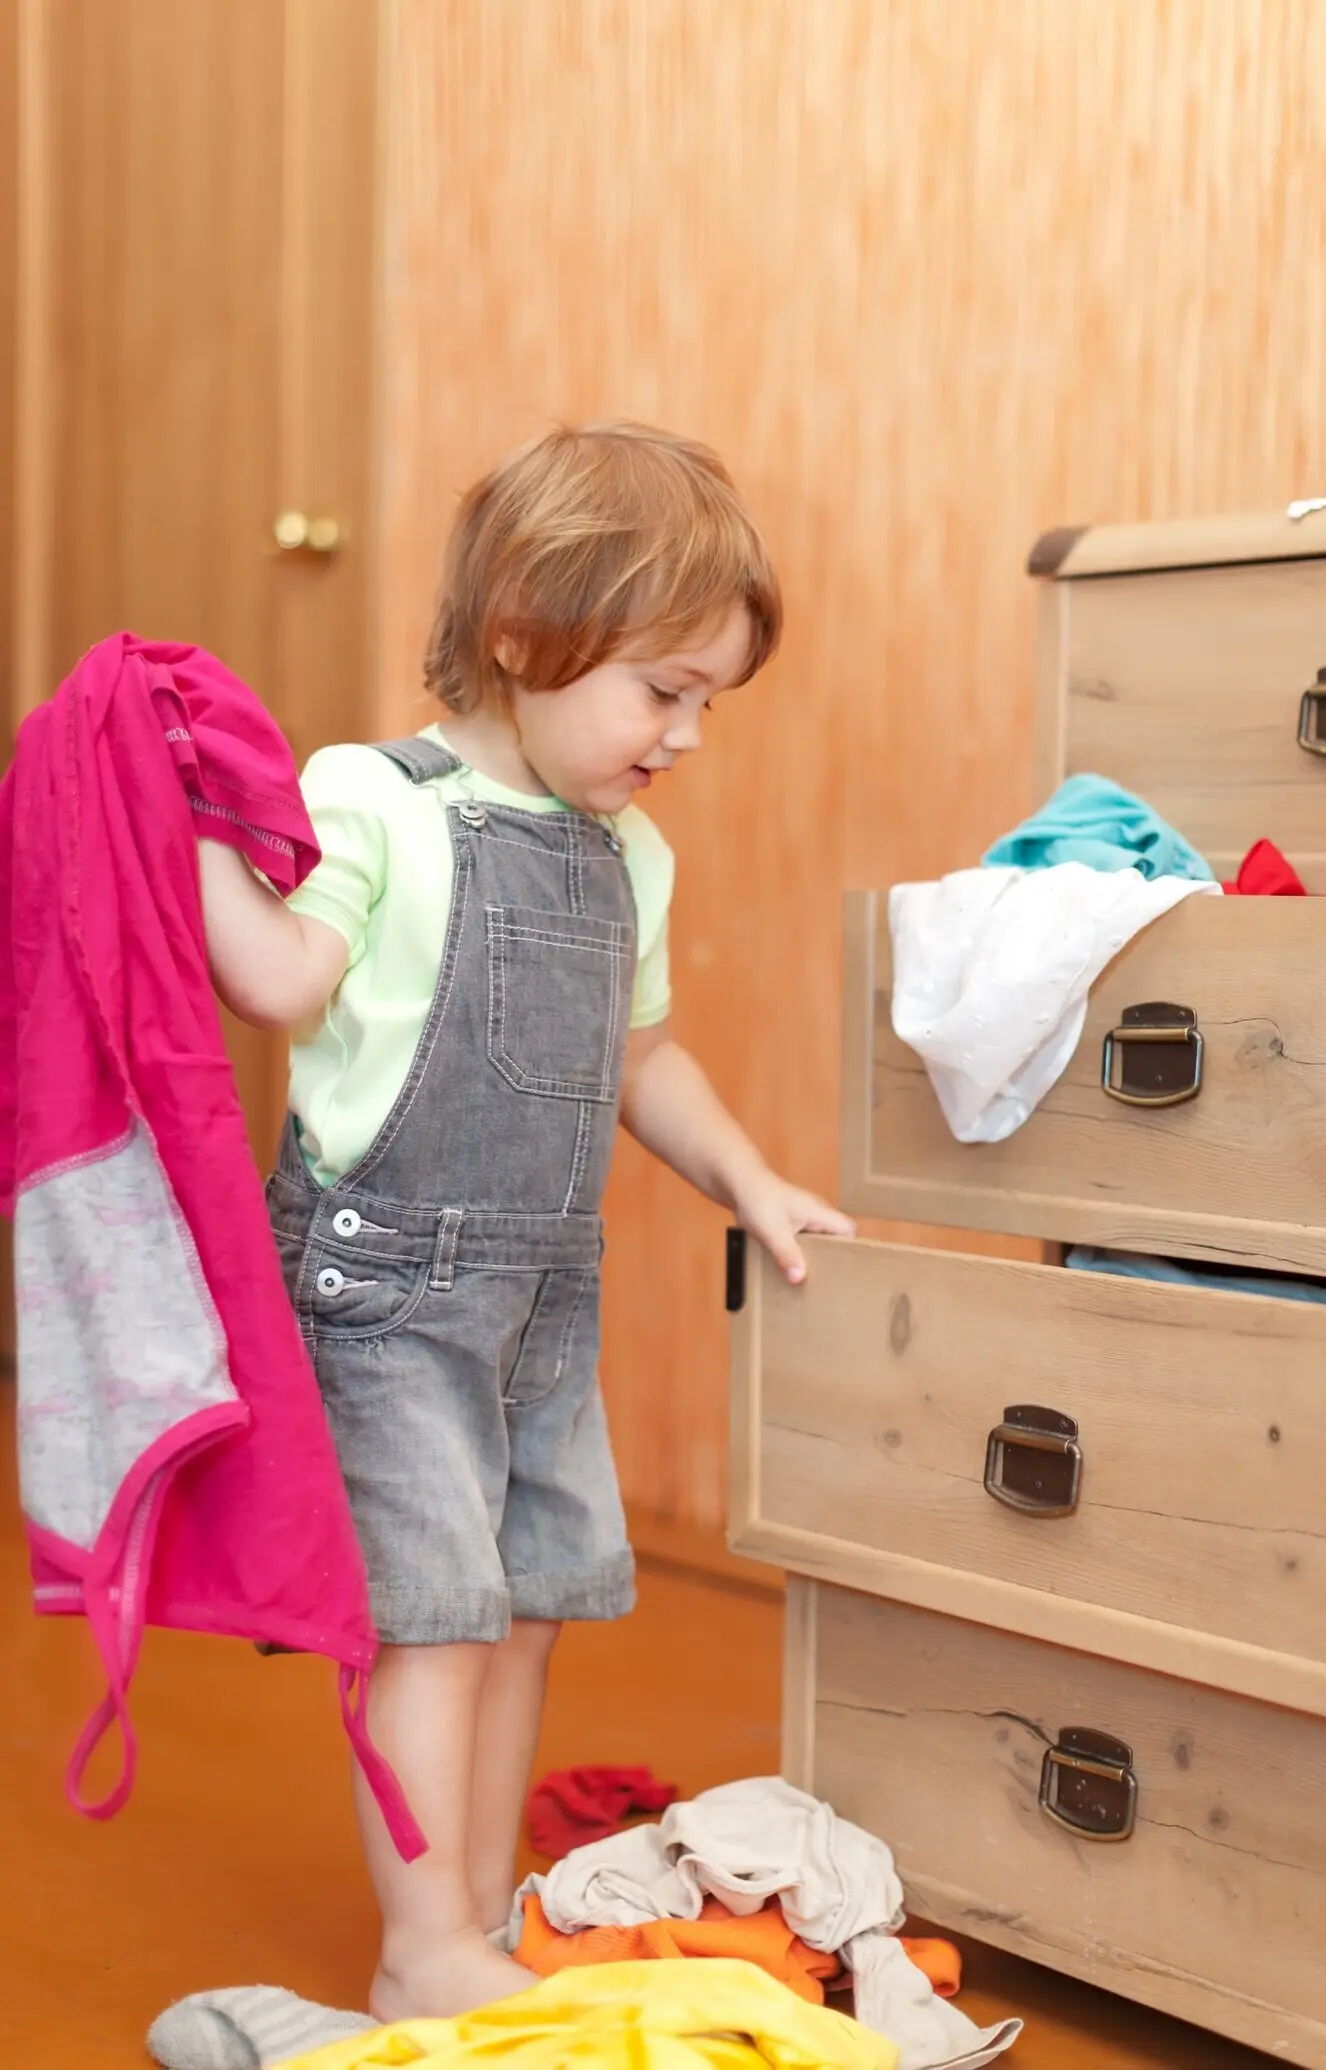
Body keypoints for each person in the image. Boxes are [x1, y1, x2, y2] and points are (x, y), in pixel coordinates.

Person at [197, 421, 854, 2021]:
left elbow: (642, 1058)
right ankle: (419, 1942)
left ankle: (472, 1914)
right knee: (432, 1620)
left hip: (544, 1297)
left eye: (708, 701)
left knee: (528, 1603)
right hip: (386, 1295)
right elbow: (280, 979)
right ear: (519, 634)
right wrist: (196, 833)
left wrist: (750, 1175)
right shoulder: (374, 800)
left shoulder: (631, 856)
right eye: (663, 689)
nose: (685, 733)